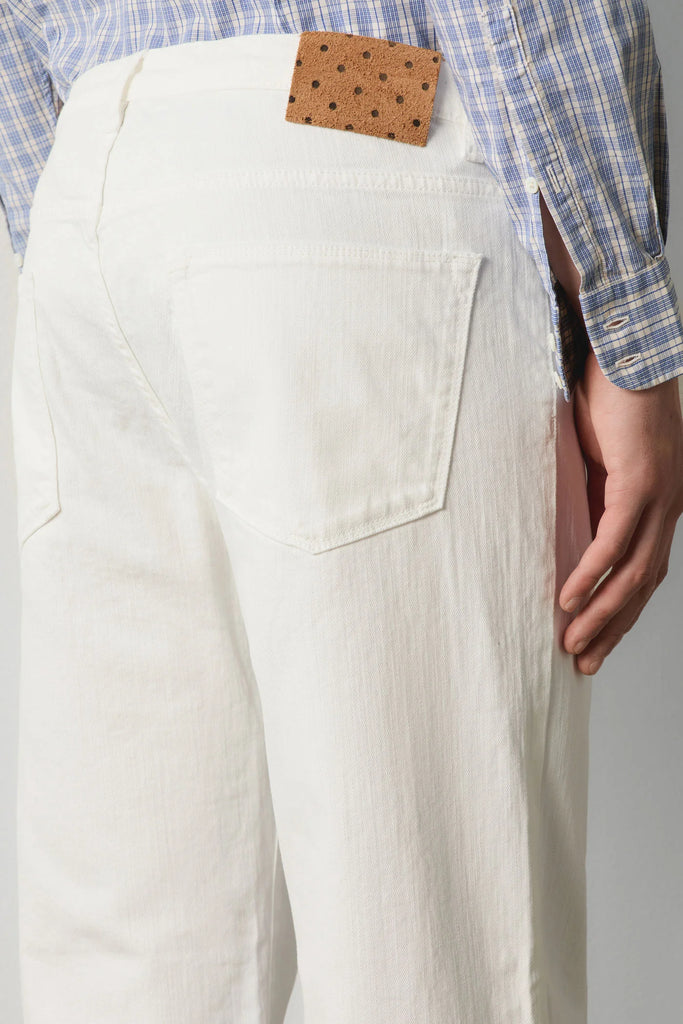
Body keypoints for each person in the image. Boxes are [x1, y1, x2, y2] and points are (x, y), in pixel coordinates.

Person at [2, 2, 682, 1023]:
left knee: (129, 968)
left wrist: (78, 208)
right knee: (431, 957)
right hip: (357, 98)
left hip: (93, 164)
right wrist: (622, 312)